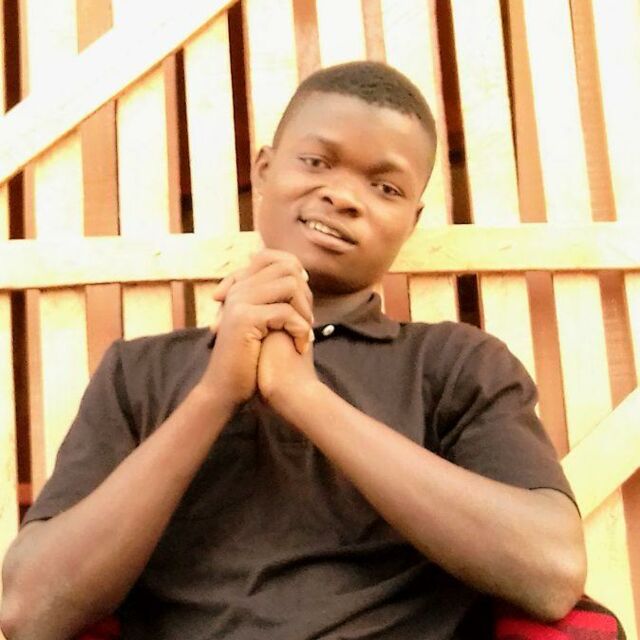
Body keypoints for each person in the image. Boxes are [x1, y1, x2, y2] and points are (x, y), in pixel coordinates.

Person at [0, 61, 586, 640]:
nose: (342, 196)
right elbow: (28, 611)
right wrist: (214, 395)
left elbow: (550, 572)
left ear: (411, 222)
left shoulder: (455, 364)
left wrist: (303, 395)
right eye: (316, 162)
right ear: (264, 170)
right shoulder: (138, 372)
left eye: (385, 188)